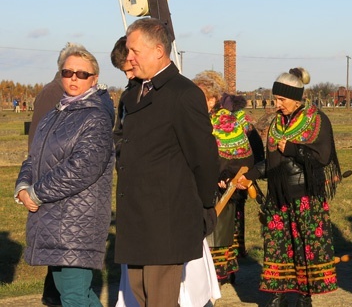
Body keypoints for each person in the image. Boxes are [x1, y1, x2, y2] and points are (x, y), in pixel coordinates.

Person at [114, 18, 220, 307]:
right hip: (135, 218)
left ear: (158, 50)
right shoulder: (133, 93)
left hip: (166, 221)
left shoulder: (183, 94)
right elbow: (123, 141)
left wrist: (201, 205)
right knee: (139, 297)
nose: (129, 57)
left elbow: (205, 159)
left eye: (134, 50)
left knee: (161, 301)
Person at [14, 43, 115, 306]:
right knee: (74, 293)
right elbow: (34, 156)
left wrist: (36, 193)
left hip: (77, 221)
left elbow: (82, 168)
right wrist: (23, 185)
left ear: (94, 79)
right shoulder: (55, 114)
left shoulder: (96, 117)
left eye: (82, 74)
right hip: (53, 218)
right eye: (68, 72)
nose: (73, 78)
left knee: (73, 295)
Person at [237, 67, 341, 307]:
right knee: (277, 246)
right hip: (279, 196)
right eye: (276, 99)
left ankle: (305, 296)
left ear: (296, 98)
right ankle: (279, 293)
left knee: (305, 247)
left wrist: (294, 149)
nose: (277, 104)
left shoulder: (317, 119)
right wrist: (251, 174)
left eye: (282, 99)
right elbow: (272, 161)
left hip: (305, 195)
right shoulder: (276, 124)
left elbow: (323, 157)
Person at [192, 70, 256, 285]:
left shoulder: (226, 121)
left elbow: (239, 154)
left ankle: (219, 273)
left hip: (221, 186)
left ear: (212, 99)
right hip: (195, 184)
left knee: (219, 230)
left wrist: (225, 175)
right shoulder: (193, 118)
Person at [27, 43, 73, 307]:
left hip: (60, 177)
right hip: (51, 177)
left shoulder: (64, 92)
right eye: (72, 70)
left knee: (62, 240)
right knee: (58, 239)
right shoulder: (52, 93)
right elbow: (40, 140)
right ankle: (54, 295)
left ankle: (54, 293)